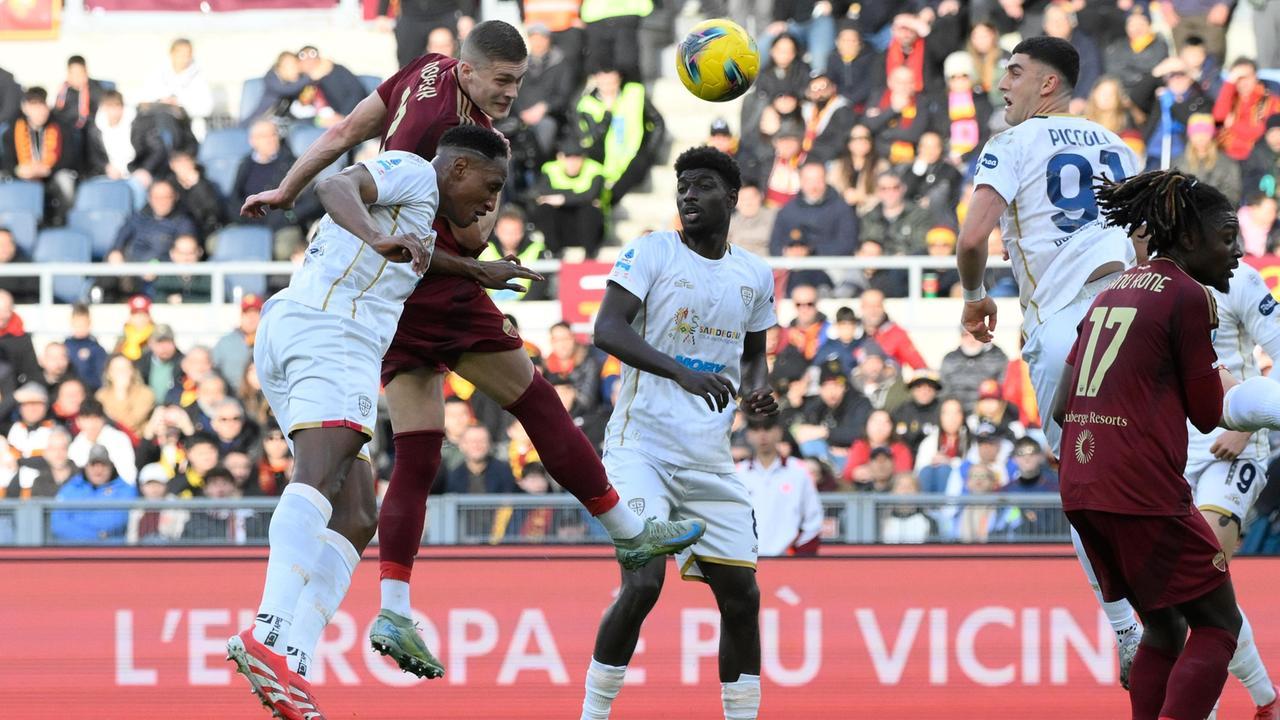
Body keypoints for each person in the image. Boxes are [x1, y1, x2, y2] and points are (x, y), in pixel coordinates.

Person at [239, 25, 696, 684]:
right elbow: (456, 224)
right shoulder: (444, 147)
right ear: (470, 70)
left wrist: (286, 188)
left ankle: (391, 607)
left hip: (389, 298)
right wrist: (477, 260)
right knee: (535, 401)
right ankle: (627, 530)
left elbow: (342, 137)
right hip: (420, 287)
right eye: (504, 81)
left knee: (417, 451)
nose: (513, 93)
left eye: (518, 80)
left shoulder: (426, 71)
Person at [955, 36, 1145, 677]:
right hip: (1132, 316)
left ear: (1047, 85)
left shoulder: (1010, 145)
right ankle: (1173, 616)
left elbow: (972, 235)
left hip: (1067, 331)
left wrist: (976, 297)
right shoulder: (1118, 147)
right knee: (1148, 478)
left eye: (1013, 72)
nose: (1000, 84)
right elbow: (1147, 245)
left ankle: (1126, 629)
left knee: (1081, 488)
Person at [579, 146, 774, 720]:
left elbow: (755, 355)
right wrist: (681, 372)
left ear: (732, 198)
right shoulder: (652, 252)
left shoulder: (754, 274)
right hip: (642, 449)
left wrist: (760, 388)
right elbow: (606, 329)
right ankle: (593, 715)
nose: (688, 194)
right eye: (682, 186)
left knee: (743, 599)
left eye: (703, 185)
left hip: (710, 460)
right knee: (643, 585)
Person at [1052, 169, 1247, 720]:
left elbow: (1061, 406)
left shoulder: (1111, 291)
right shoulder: (1188, 296)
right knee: (1219, 625)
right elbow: (1209, 417)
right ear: (1188, 239)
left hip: (1081, 485)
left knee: (1164, 626)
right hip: (1140, 488)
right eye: (1227, 237)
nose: (1236, 252)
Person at [739, 414, 821, 556]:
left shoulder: (799, 471)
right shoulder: (737, 473)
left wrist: (799, 555)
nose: (763, 435)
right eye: (756, 429)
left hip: (787, 563)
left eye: (768, 428)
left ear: (779, 432)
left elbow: (813, 520)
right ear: (748, 435)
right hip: (746, 562)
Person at [0, 88, 77, 224]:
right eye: (33, 106)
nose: (38, 111)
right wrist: (18, 170)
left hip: (52, 175)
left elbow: (69, 158)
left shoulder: (62, 127)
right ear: (25, 108)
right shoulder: (12, 130)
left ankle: (64, 221)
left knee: (65, 180)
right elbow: (6, 160)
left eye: (41, 106)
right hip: (22, 175)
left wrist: (48, 170)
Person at [48, 444, 136, 544]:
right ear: (86, 467)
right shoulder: (72, 486)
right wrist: (95, 536)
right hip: (74, 551)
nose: (98, 470)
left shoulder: (125, 489)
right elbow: (58, 524)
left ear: (111, 467)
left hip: (110, 552)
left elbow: (114, 521)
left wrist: (77, 522)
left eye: (103, 465)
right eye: (93, 464)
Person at [768, 161, 858, 257]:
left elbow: (847, 244)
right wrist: (789, 252)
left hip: (833, 265)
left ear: (825, 180)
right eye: (809, 180)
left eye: (818, 180)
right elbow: (774, 246)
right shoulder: (788, 210)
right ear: (801, 181)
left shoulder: (841, 208)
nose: (814, 186)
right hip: (794, 266)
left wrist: (811, 251)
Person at [295, 46, 366, 123]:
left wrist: (343, 115)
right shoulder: (306, 81)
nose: (309, 63)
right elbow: (304, 102)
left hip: (352, 116)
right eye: (305, 61)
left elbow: (357, 92)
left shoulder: (337, 70)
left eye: (312, 58)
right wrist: (311, 80)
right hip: (326, 121)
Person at [96, 353, 156, 437]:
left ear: (133, 371)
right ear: (108, 374)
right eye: (117, 369)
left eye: (126, 368)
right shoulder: (101, 395)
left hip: (137, 442)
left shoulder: (145, 393)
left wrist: (121, 391)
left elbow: (129, 424)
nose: (121, 372)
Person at [213, 294, 262, 394]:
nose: (251, 318)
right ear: (241, 316)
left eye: (256, 313)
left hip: (264, 398)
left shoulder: (271, 342)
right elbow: (214, 369)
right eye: (247, 313)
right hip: (232, 395)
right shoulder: (225, 342)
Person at [65, 304, 108, 393]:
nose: (80, 327)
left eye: (83, 324)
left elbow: (100, 377)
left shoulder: (97, 349)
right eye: (77, 323)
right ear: (72, 322)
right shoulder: (65, 347)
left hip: (90, 393)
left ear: (89, 323)